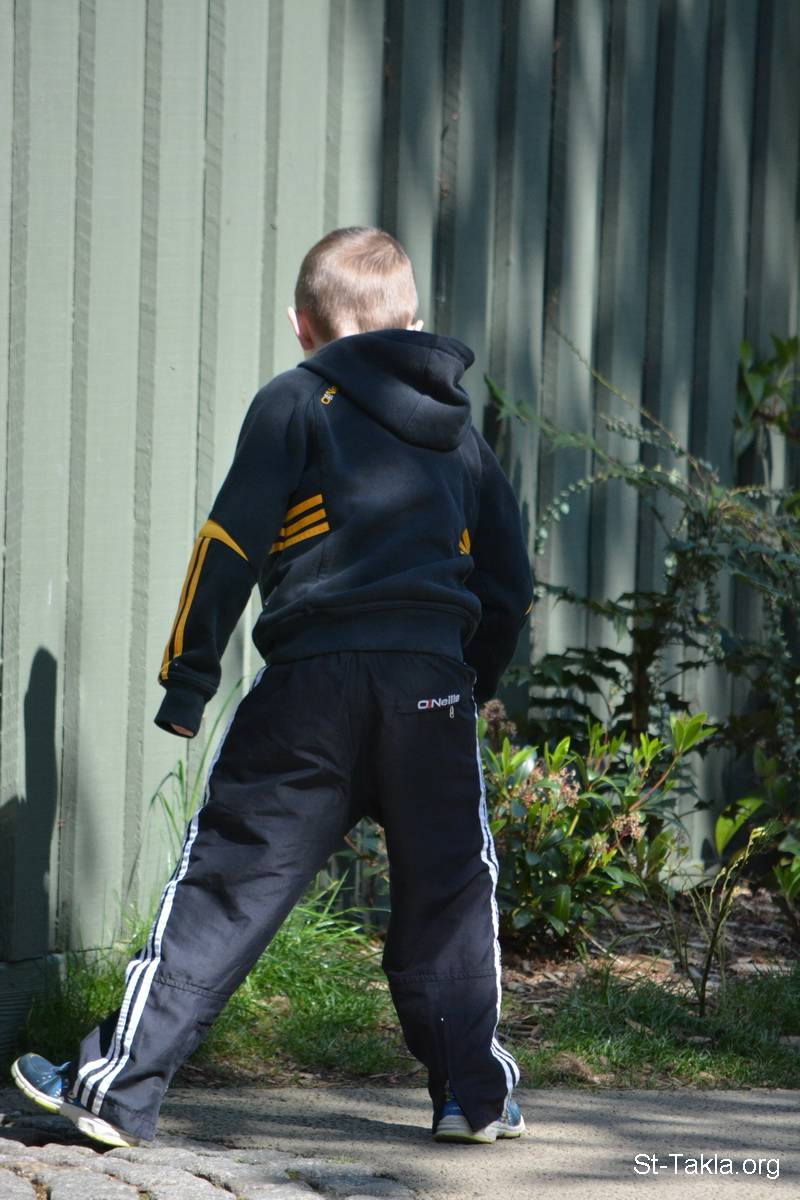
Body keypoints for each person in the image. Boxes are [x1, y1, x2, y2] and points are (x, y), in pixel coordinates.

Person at [12, 226, 533, 1148]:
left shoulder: (295, 401)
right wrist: (464, 682)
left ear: (303, 326)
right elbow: (509, 584)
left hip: (309, 692)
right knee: (449, 891)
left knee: (227, 883)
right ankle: (474, 1099)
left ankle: (116, 1090)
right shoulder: (460, 433)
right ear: (416, 323)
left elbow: (230, 544)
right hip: (429, 690)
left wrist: (189, 679)